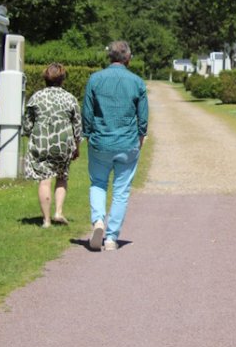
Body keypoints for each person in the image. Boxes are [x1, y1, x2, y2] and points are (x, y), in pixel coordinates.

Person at [82, 41, 149, 251]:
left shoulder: (95, 79)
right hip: (127, 143)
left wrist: (87, 134)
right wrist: (141, 136)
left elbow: (87, 112)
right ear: (128, 58)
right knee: (121, 190)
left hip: (100, 141)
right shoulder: (137, 82)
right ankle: (111, 238)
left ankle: (98, 221)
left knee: (98, 183)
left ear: (109, 57)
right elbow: (143, 116)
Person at [22, 63, 81, 228]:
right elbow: (77, 127)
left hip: (42, 143)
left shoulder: (36, 97)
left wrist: (32, 135)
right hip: (63, 144)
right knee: (62, 177)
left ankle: (46, 220)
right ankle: (58, 212)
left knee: (45, 179)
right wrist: (77, 147)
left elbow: (27, 125)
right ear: (62, 79)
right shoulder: (70, 99)